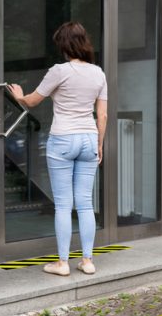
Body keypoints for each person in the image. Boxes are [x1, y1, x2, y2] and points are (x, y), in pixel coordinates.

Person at [9, 21, 108, 277]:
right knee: (85, 204)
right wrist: (99, 144)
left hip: (63, 138)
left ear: (64, 45)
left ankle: (63, 263)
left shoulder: (59, 71)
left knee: (63, 205)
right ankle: (87, 261)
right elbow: (103, 114)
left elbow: (32, 101)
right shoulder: (98, 73)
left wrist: (19, 95)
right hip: (88, 138)